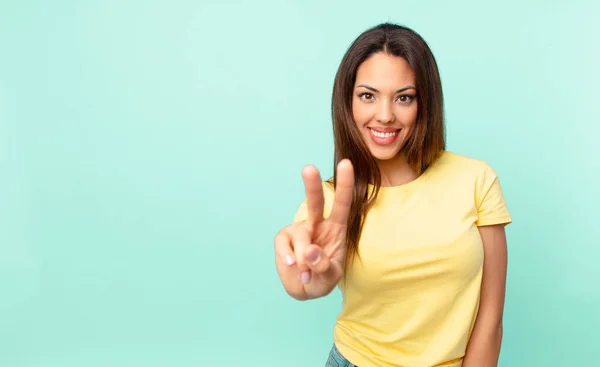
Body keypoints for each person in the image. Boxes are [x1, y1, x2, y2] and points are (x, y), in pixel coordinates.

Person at [274, 22, 512, 367]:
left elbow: (490, 321)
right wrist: (305, 278)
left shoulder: (476, 179)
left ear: (424, 103)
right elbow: (303, 280)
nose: (384, 116)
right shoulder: (329, 203)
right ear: (347, 102)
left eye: (404, 97)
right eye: (367, 96)